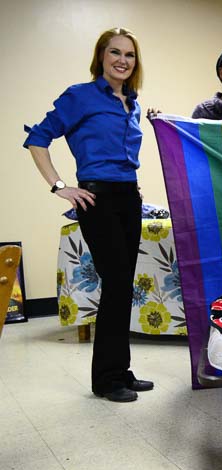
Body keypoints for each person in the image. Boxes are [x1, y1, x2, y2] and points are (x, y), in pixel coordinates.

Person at [23, 27, 154, 403]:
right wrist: (59, 185)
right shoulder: (79, 96)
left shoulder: (132, 102)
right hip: (97, 199)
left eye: (129, 55)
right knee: (114, 285)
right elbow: (37, 139)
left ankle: (121, 371)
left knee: (123, 286)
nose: (122, 60)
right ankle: (106, 379)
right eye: (115, 53)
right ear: (101, 57)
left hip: (130, 197)